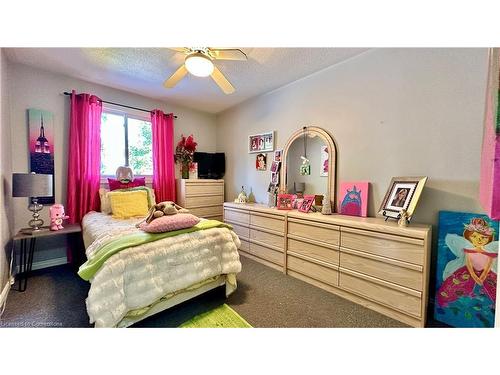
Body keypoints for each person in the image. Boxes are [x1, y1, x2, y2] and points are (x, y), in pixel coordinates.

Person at [436, 218, 498, 326]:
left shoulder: (491, 252)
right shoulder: (467, 250)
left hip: (487, 274)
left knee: (494, 290)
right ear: (469, 237)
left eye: (483, 237)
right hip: (467, 272)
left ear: (489, 238)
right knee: (453, 287)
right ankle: (445, 305)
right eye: (474, 237)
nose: (479, 239)